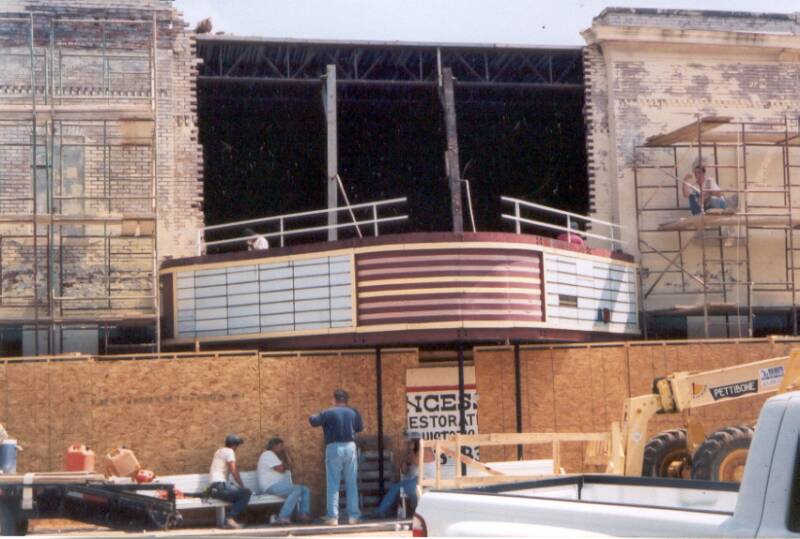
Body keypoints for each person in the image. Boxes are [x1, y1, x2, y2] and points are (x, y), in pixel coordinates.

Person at [309, 388, 364, 526]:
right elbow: (359, 428)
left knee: (333, 483)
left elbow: (313, 421)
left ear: (334, 400)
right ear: (346, 400)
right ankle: (353, 517)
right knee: (351, 483)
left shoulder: (328, 412)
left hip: (334, 448)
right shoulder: (353, 412)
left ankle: (333, 517)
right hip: (350, 447)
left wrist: (315, 413)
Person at [374, 433, 436, 519]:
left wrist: (408, 453)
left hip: (425, 481)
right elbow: (404, 470)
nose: (408, 445)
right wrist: (405, 461)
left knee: (395, 488)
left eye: (410, 442)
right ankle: (385, 511)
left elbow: (415, 461)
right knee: (396, 489)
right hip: (416, 481)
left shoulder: (425, 449)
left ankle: (380, 511)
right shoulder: (414, 452)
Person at [257, 437, 312, 525]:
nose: (282, 448)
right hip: (270, 485)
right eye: (281, 446)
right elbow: (281, 469)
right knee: (296, 490)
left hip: (277, 485)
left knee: (305, 489)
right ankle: (282, 517)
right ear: (274, 446)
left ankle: (303, 515)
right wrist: (285, 464)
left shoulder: (275, 457)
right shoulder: (268, 454)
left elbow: (289, 466)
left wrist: (286, 454)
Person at [208, 434, 251, 529]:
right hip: (220, 486)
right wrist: (243, 486)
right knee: (246, 493)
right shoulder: (229, 451)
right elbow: (234, 471)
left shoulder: (219, 451)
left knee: (238, 497)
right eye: (237, 446)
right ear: (234, 445)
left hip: (213, 488)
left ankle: (233, 519)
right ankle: (229, 519)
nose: (237, 448)